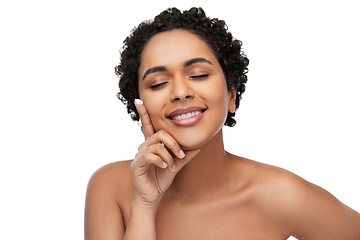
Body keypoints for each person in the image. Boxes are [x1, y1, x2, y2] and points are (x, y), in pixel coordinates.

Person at [84, 7, 360, 239]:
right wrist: (145, 204)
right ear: (140, 104)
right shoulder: (110, 187)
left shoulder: (280, 195)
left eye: (199, 74)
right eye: (158, 83)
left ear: (231, 94)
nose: (180, 92)